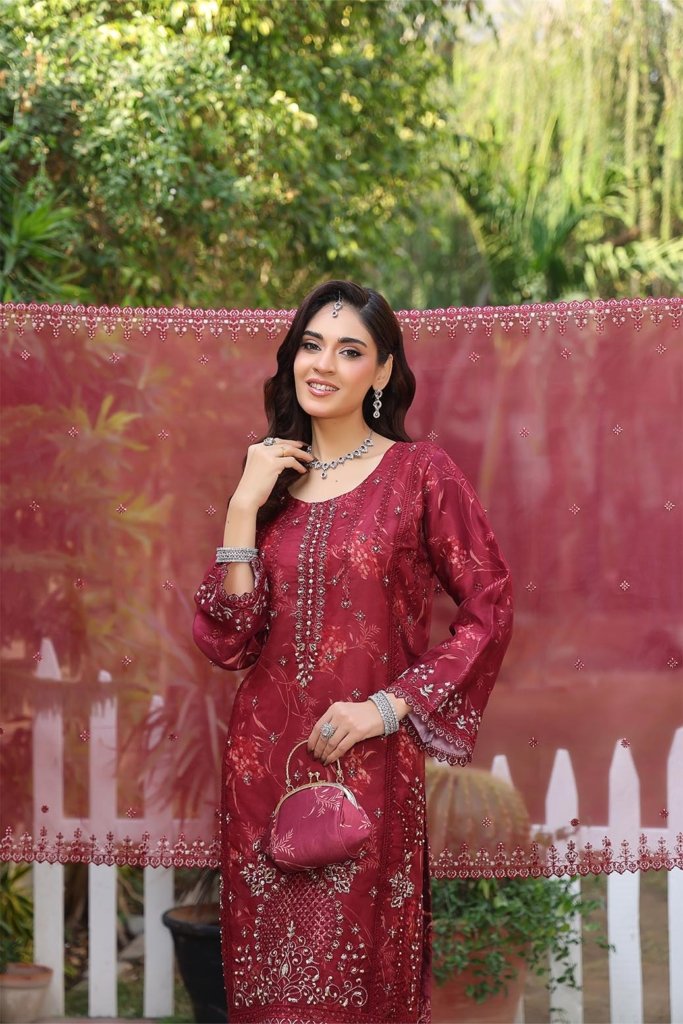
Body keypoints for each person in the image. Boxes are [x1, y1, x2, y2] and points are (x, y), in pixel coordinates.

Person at [192, 279, 514, 1024]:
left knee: (357, 989)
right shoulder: (270, 481)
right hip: (262, 774)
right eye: (311, 345)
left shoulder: (419, 474)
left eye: (349, 350)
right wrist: (242, 505)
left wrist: (387, 709)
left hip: (365, 768)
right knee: (271, 997)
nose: (323, 364)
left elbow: (489, 608)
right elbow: (231, 639)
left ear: (382, 371)